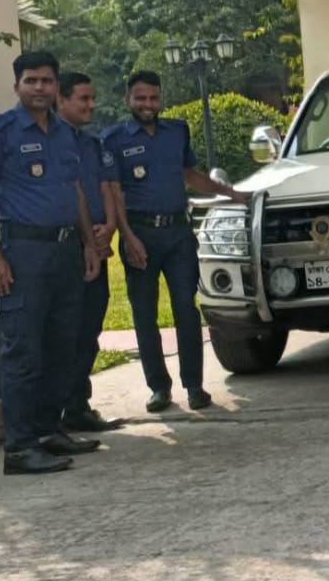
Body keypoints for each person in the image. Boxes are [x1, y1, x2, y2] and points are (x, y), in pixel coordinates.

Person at [0, 50, 104, 475]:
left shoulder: (65, 134)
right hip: (24, 253)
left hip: (65, 252)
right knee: (24, 351)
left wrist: (88, 244)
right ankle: (20, 447)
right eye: (31, 80)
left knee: (62, 346)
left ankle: (48, 430)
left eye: (47, 80)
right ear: (17, 86)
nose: (40, 88)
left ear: (55, 86)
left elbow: (75, 190)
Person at [104, 70, 250, 414]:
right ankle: (159, 387)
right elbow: (113, 191)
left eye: (153, 97)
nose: (147, 104)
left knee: (186, 309)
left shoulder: (177, 131)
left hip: (177, 233)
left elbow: (190, 174)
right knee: (145, 314)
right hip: (140, 234)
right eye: (140, 98)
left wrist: (229, 193)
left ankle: (194, 385)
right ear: (128, 100)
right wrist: (127, 236)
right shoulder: (113, 139)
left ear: (161, 99)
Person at [56, 71, 124, 434]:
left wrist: (109, 227)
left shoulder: (93, 143)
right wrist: (86, 239)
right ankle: (60, 409)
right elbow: (70, 191)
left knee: (90, 327)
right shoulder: (53, 140)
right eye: (83, 98)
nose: (91, 105)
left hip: (97, 244)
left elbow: (105, 186)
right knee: (67, 330)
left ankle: (78, 406)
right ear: (62, 100)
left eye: (92, 98)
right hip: (68, 246)